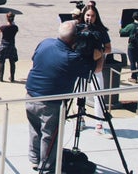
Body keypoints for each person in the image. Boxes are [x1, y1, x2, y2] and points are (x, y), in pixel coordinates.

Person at [25, 21, 99, 174]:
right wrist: (100, 54)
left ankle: (35, 159)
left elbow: (35, 59)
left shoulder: (45, 43)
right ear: (74, 40)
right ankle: (47, 169)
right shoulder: (70, 57)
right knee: (50, 137)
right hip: (50, 103)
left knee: (35, 130)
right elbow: (95, 70)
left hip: (30, 96)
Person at [82, 5, 112, 135]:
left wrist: (99, 52)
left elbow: (108, 48)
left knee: (98, 94)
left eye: (93, 16)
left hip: (96, 66)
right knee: (79, 93)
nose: (90, 18)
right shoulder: (79, 28)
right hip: (81, 65)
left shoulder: (101, 31)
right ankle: (79, 118)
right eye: (88, 15)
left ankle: (99, 122)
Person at [119, 10, 138, 83]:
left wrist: (120, 26)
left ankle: (134, 77)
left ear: (133, 17)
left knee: (132, 62)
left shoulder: (131, 26)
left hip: (132, 46)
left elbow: (122, 31)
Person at [0, 12, 18, 82]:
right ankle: (12, 77)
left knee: (2, 62)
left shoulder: (4, 27)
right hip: (12, 45)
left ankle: (0, 77)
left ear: (7, 18)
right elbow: (14, 28)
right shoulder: (15, 28)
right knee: (12, 62)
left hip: (4, 45)